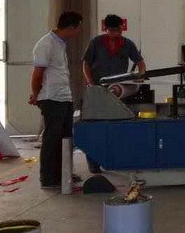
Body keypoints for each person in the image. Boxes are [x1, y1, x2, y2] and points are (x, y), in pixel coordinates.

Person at [82, 14, 147, 173]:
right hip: (98, 89)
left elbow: (140, 62)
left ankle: (114, 159)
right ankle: (94, 162)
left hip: (118, 91)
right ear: (106, 29)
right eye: (111, 30)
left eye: (117, 30)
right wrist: (90, 83)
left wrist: (140, 76)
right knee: (96, 127)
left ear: (121, 29)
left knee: (116, 125)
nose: (114, 34)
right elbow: (86, 63)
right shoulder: (96, 43)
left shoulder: (127, 44)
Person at [29, 11, 84, 189]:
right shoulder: (46, 44)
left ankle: (63, 173)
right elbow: (37, 75)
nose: (79, 32)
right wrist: (36, 94)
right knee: (52, 139)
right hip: (51, 98)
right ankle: (48, 178)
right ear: (71, 27)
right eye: (78, 28)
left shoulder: (60, 44)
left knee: (65, 138)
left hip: (64, 97)